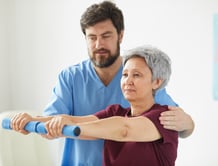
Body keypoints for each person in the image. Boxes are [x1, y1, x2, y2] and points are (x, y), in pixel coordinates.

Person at [10, 1, 194, 166]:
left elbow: (124, 129)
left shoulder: (160, 114)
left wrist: (188, 122)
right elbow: (73, 122)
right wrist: (33, 121)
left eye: (106, 36)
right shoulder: (113, 109)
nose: (99, 44)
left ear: (120, 35)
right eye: (92, 37)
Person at [44, 45, 178, 166]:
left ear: (157, 82)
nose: (128, 81)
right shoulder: (115, 112)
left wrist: (70, 124)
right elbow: (77, 120)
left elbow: (124, 130)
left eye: (136, 75)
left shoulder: (164, 118)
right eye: (125, 75)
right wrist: (30, 120)